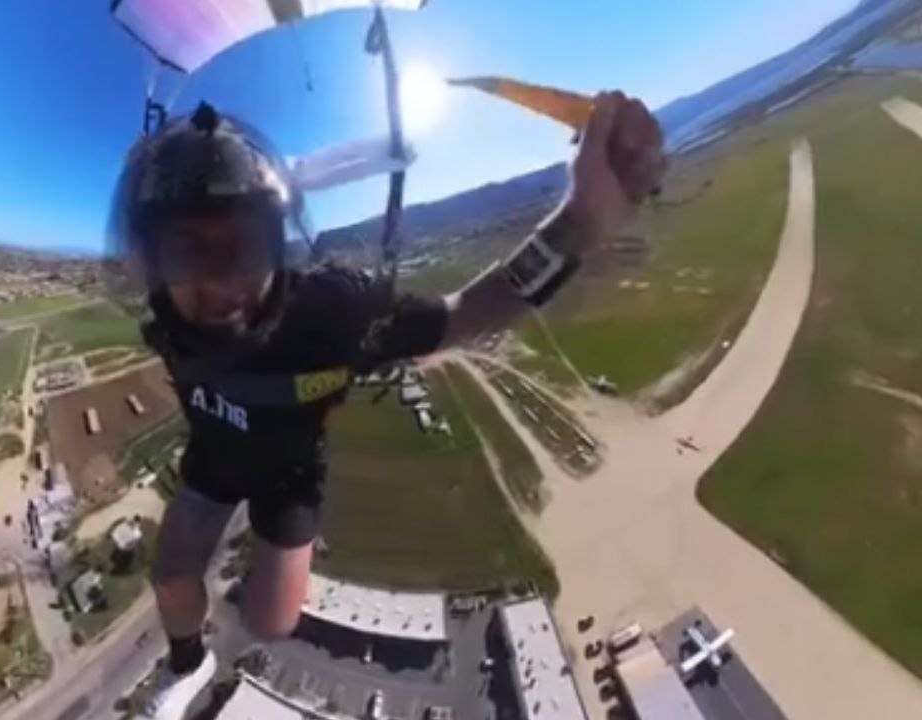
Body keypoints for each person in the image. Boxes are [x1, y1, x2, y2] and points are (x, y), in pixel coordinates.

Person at [106, 93, 665, 719]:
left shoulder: (330, 317)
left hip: (289, 471)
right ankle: (190, 663)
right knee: (172, 580)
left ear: (279, 244)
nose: (222, 283)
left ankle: (224, 625)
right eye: (187, 252)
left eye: (244, 246)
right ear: (154, 266)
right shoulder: (165, 325)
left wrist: (578, 225)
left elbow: (466, 315)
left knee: (270, 620)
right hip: (215, 455)